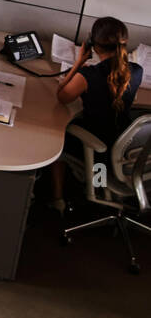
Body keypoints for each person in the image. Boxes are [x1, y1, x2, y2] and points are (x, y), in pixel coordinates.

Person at [47, 16, 145, 212]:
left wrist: (78, 63)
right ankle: (99, 187)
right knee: (100, 148)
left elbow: (62, 97)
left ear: (94, 46)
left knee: (58, 137)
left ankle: (59, 199)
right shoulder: (136, 70)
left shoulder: (88, 75)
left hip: (98, 147)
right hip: (123, 142)